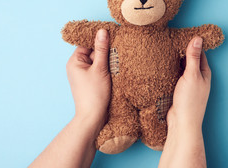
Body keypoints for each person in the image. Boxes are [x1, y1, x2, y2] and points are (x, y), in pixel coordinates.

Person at [29, 29, 211, 168]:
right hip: (121, 102)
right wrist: (187, 121)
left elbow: (210, 34)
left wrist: (88, 113)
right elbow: (74, 31)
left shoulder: (171, 36)